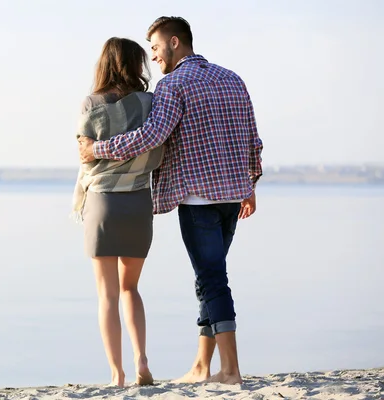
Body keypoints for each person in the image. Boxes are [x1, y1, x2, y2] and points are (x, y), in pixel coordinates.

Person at [78, 17, 264, 385]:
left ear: (174, 42)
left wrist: (97, 148)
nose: (153, 56)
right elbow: (252, 138)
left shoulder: (173, 84)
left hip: (197, 200)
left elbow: (152, 135)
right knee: (207, 279)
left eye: (156, 47)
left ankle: (230, 370)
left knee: (212, 279)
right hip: (233, 197)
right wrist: (250, 183)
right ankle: (201, 364)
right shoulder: (232, 78)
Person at [73, 37, 164, 387]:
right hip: (139, 203)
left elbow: (84, 153)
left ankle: (117, 374)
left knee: (107, 294)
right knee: (131, 288)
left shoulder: (91, 102)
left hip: (103, 204)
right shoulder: (151, 103)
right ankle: (142, 360)